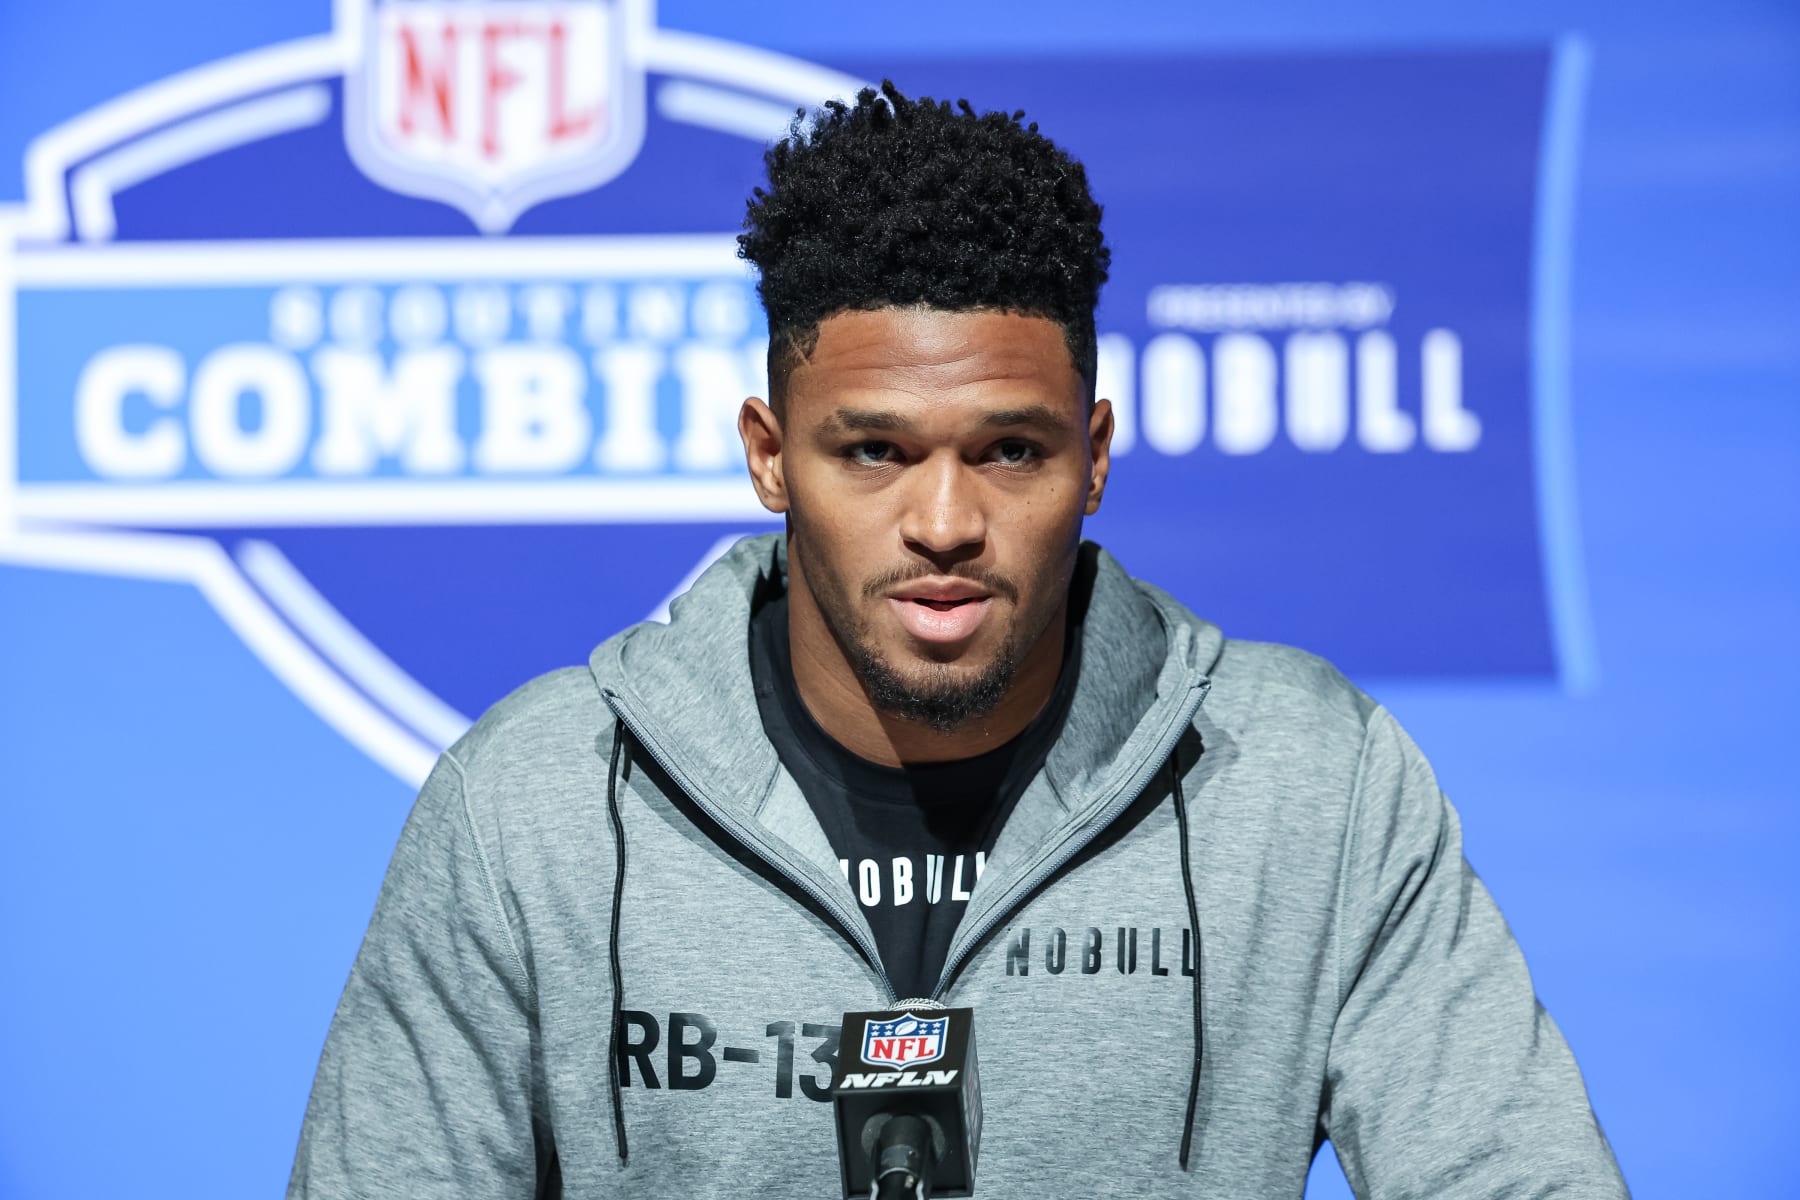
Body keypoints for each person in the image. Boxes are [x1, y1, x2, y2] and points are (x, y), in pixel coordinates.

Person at [288, 82, 1628, 1198]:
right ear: (769, 458)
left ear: (1094, 458)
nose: (945, 521)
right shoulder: (532, 811)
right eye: (873, 451)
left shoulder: (1306, 787)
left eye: (1010, 451)